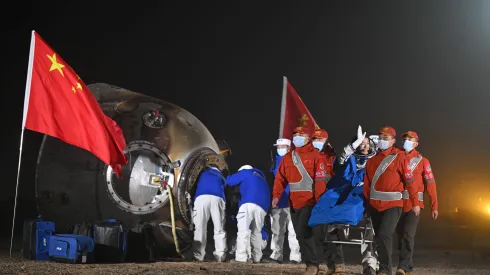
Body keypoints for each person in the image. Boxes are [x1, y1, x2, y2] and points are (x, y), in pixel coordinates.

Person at [309, 126, 379, 275]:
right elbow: (341, 159)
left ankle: (370, 262)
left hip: (365, 193)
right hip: (344, 188)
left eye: (367, 143)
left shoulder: (376, 159)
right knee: (326, 204)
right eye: (361, 143)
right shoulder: (350, 157)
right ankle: (330, 261)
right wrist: (352, 146)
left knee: (366, 225)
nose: (364, 146)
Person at [273, 126, 329, 275]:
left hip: (310, 201)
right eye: (295, 134)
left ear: (308, 137)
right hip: (294, 202)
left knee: (305, 231)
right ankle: (310, 263)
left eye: (301, 134)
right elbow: (280, 179)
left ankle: (313, 265)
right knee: (299, 234)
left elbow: (320, 180)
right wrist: (276, 196)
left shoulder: (316, 156)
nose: (297, 136)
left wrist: (319, 201)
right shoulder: (288, 157)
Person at [363, 126, 419, 275]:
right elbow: (367, 186)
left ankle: (386, 270)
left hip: (393, 205)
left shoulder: (400, 158)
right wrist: (367, 207)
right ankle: (383, 268)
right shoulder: (371, 161)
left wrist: (415, 203)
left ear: (393, 141)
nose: (382, 140)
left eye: (386, 138)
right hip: (375, 206)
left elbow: (410, 182)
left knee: (384, 234)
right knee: (379, 238)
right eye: (380, 137)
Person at [396, 131, 439, 275]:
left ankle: (402, 267)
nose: (406, 141)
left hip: (414, 205)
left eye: (410, 139)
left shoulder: (423, 161)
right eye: (405, 139)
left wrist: (434, 206)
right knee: (400, 236)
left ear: (416, 143)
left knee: (408, 234)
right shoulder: (395, 157)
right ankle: (408, 266)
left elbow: (431, 184)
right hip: (395, 203)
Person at [262, 138, 302, 264]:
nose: (280, 149)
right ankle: (276, 255)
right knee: (277, 231)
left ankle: (295, 257)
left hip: (292, 201)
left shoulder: (295, 160)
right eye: (278, 147)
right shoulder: (274, 162)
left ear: (289, 148)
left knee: (293, 231)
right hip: (278, 201)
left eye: (282, 147)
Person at [226, 165, 271, 263]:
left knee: (243, 231)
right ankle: (257, 258)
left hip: (248, 203)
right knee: (256, 232)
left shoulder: (246, 172)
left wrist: (225, 175)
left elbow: (229, 181)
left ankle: (240, 258)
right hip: (263, 207)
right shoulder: (262, 179)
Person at [192, 165, 227, 262]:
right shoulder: (220, 175)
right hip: (218, 197)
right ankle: (220, 255)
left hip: (201, 197)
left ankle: (198, 256)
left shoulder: (202, 173)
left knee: (200, 227)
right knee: (219, 228)